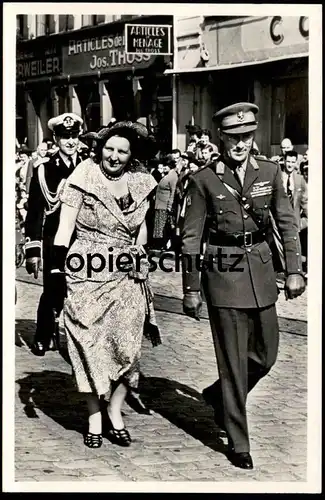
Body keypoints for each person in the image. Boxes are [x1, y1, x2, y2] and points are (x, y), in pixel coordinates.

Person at [180, 102, 306, 470]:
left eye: (246, 136)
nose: (240, 144)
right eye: (233, 137)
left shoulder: (270, 170)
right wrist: (190, 288)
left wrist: (295, 270)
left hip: (262, 270)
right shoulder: (204, 178)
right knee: (233, 362)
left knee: (266, 354)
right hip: (223, 272)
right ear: (221, 136)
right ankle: (238, 440)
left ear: (254, 135)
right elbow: (191, 238)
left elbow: (287, 222)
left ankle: (219, 396)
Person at [49, 120, 160, 448]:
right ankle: (94, 416)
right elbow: (64, 228)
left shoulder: (141, 181)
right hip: (87, 271)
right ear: (99, 148)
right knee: (88, 346)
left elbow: (141, 226)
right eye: (109, 148)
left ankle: (115, 409)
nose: (114, 156)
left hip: (127, 275)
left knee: (128, 349)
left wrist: (140, 246)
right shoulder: (83, 176)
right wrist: (56, 274)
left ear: (131, 154)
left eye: (122, 151)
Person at [24, 112, 84, 356]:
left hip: (83, 240)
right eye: (64, 136)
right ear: (56, 139)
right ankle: (43, 334)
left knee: (80, 291)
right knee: (53, 289)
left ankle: (77, 340)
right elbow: (35, 213)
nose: (70, 141)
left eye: (73, 136)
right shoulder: (44, 170)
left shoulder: (88, 167)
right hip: (54, 240)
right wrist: (33, 251)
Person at [282, 150, 308, 272]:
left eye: (293, 162)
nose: (290, 165)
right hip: (281, 221)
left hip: (295, 221)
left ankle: (295, 272)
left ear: (296, 162)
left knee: (295, 248)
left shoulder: (299, 179)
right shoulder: (278, 177)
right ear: (284, 160)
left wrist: (306, 221)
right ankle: (284, 271)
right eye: (288, 161)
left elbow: (305, 201)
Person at [152, 156, 178, 250]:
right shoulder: (167, 175)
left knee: (164, 227)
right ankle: (161, 244)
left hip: (164, 205)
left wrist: (169, 205)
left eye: (166, 166)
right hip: (160, 204)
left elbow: (173, 191)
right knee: (160, 226)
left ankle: (164, 244)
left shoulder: (172, 176)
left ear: (170, 166)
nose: (164, 167)